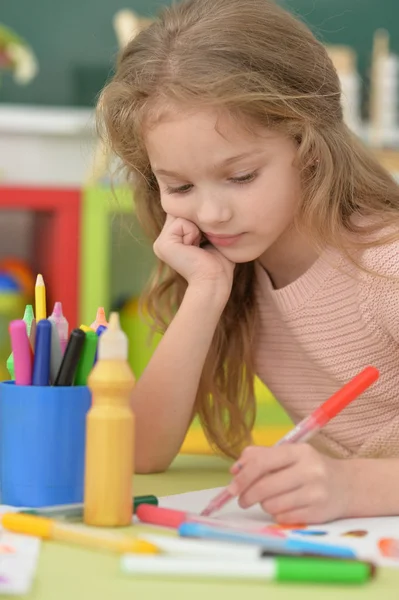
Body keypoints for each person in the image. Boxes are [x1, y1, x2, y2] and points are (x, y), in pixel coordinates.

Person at [97, 0, 399, 524]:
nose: (212, 212)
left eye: (241, 177)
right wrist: (206, 292)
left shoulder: (384, 266)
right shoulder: (229, 266)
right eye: (180, 186)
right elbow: (141, 452)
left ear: (309, 147)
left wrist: (349, 486)